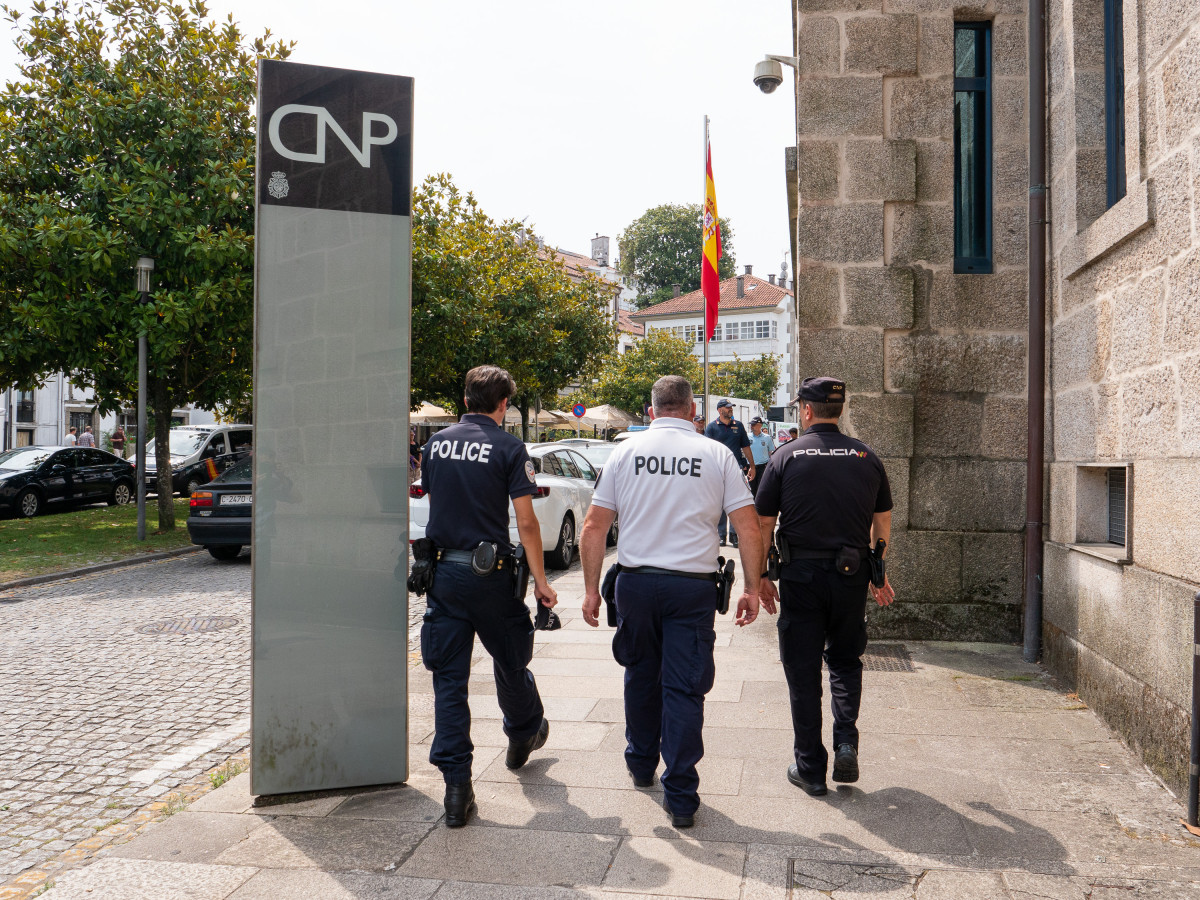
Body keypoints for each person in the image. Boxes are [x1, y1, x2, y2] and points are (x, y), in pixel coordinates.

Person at [579, 376, 765, 829]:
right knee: (684, 687)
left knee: (641, 673)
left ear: (651, 409)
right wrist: (752, 587)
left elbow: (593, 527)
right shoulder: (717, 454)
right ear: (691, 410)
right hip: (691, 588)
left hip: (637, 584)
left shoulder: (625, 452)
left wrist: (588, 590)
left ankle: (641, 764)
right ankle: (680, 795)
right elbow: (749, 528)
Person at [419, 365, 558, 827]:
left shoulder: (435, 444)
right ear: (503, 405)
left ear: (464, 399)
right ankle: (523, 731)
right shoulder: (508, 447)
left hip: (444, 576)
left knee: (449, 683)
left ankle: (457, 789)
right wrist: (540, 581)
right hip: (491, 575)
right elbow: (527, 522)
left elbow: (439, 500)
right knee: (511, 659)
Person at [755, 376, 896, 797]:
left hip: (801, 577)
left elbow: (764, 522)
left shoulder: (786, 456)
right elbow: (882, 522)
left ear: (806, 410)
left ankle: (811, 768)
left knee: (802, 670)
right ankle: (846, 742)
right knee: (846, 662)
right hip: (851, 577)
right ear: (840, 409)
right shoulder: (866, 456)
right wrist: (879, 573)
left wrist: (761, 576)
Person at [704, 399, 754, 547]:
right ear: (720, 410)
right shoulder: (712, 427)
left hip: (736, 469)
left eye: (731, 407)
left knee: (735, 502)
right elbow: (707, 449)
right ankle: (721, 535)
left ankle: (734, 535)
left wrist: (752, 465)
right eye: (727, 408)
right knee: (720, 504)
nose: (730, 409)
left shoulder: (738, 426)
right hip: (717, 469)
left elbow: (745, 447)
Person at [746, 417, 775, 495]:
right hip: (750, 468)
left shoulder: (767, 438)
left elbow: (771, 452)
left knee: (761, 489)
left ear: (760, 425)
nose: (751, 426)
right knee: (751, 490)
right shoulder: (747, 436)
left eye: (753, 424)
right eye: (751, 424)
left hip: (763, 467)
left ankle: (760, 506)